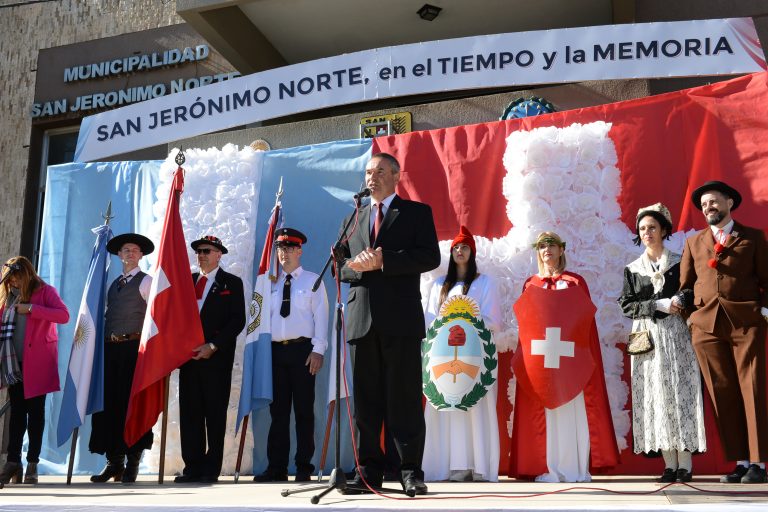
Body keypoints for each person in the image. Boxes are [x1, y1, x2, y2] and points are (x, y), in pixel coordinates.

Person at [336, 152, 440, 495]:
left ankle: (410, 471)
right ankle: (368, 471)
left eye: (380, 171)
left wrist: (384, 260)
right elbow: (340, 267)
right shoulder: (353, 218)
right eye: (368, 171)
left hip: (400, 320)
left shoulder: (415, 213)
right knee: (366, 401)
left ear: (396, 175)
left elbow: (429, 256)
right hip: (361, 319)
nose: (372, 176)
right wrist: (358, 267)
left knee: (404, 399)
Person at [509, 231, 619, 482]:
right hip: (541, 363)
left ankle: (574, 468)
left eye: (552, 245)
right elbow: (528, 326)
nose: (547, 249)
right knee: (545, 414)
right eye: (542, 246)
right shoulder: (531, 284)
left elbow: (584, 324)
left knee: (571, 411)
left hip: (569, 361)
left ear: (561, 250)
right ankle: (547, 468)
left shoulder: (575, 282)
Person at [679, 181, 768, 484]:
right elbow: (686, 286)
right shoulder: (693, 243)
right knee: (722, 392)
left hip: (746, 322)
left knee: (751, 388)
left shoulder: (753, 238)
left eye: (714, 202)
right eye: (704, 205)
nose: (709, 208)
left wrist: (764, 313)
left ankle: (759, 463)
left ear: (729, 202)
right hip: (706, 327)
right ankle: (741, 461)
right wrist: (689, 314)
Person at [617, 203, 706, 483]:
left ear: (664, 230)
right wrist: (657, 304)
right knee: (654, 396)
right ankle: (668, 463)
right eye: (643, 229)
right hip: (647, 337)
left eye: (652, 227)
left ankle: (685, 464)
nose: (647, 233)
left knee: (681, 393)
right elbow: (626, 305)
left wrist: (681, 298)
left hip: (677, 334)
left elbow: (693, 288)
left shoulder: (680, 261)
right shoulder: (633, 269)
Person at [422, 226, 501, 482]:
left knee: (474, 408)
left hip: (476, 355)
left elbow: (493, 320)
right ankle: (445, 466)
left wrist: (466, 318)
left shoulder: (484, 282)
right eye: (456, 247)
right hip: (444, 356)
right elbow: (429, 319)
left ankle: (477, 466)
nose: (459, 251)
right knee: (447, 408)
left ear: (472, 252)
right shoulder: (438, 285)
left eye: (464, 246)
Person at [254, 228, 329, 483]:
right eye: (280, 248)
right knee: (278, 412)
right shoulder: (268, 283)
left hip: (302, 351)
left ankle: (304, 466)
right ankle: (277, 467)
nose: (284, 253)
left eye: (289, 248)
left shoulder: (312, 280)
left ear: (299, 251)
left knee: (304, 412)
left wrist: (318, 350)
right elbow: (260, 319)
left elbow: (321, 317)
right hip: (275, 352)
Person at [174, 235, 245, 484]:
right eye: (198, 251)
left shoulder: (232, 283)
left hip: (215, 360)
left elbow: (237, 320)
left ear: (219, 255)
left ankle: (210, 467)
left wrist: (213, 345)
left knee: (214, 414)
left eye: (207, 251)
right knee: (190, 414)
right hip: (189, 358)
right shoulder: (187, 282)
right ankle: (192, 466)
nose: (201, 255)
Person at [88, 233, 155, 484]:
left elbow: (154, 319)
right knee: (110, 406)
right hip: (111, 350)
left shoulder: (147, 282)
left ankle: (132, 462)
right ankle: (114, 462)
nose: (130, 253)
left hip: (133, 350)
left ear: (141, 255)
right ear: (119, 255)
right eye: (125, 250)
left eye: (134, 250)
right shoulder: (112, 284)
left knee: (131, 404)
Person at [0, 256, 69, 485]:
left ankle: (32, 463)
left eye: (17, 279)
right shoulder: (7, 296)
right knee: (17, 413)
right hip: (13, 364)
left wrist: (32, 309)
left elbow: (63, 315)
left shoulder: (45, 291)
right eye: (10, 280)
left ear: (27, 274)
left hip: (38, 363)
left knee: (36, 415)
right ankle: (13, 462)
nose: (14, 284)